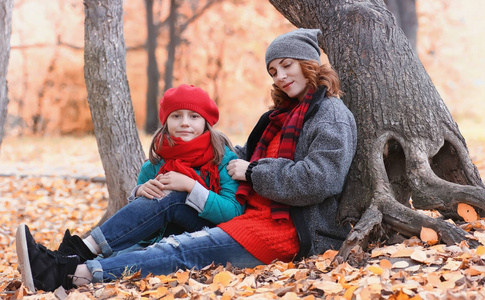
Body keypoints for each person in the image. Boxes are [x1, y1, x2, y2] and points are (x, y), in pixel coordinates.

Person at [16, 28, 358, 292]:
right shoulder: (281, 117)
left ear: (309, 63)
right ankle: (74, 252)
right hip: (256, 215)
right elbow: (249, 157)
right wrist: (211, 161)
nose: (280, 77)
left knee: (183, 250)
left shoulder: (330, 115)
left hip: (290, 230)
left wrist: (253, 172)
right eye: (273, 71)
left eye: (287, 65)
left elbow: (320, 180)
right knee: (171, 194)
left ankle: (71, 273)